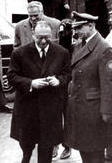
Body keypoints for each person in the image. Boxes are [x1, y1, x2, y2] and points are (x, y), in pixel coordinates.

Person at [8, 20, 71, 163]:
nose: (43, 41)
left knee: (47, 146)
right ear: (33, 35)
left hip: (50, 108)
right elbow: (11, 76)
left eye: (47, 37)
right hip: (27, 107)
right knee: (26, 143)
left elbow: (68, 74)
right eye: (39, 37)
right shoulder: (19, 53)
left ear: (52, 35)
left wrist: (59, 80)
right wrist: (31, 83)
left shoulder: (62, 52)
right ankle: (26, 157)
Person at [65, 12, 112, 163]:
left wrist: (107, 112)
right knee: (85, 151)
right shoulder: (80, 44)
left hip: (94, 111)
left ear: (91, 26)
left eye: (79, 27)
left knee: (95, 153)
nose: (76, 32)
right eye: (75, 28)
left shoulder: (104, 49)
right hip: (80, 108)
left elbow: (110, 83)